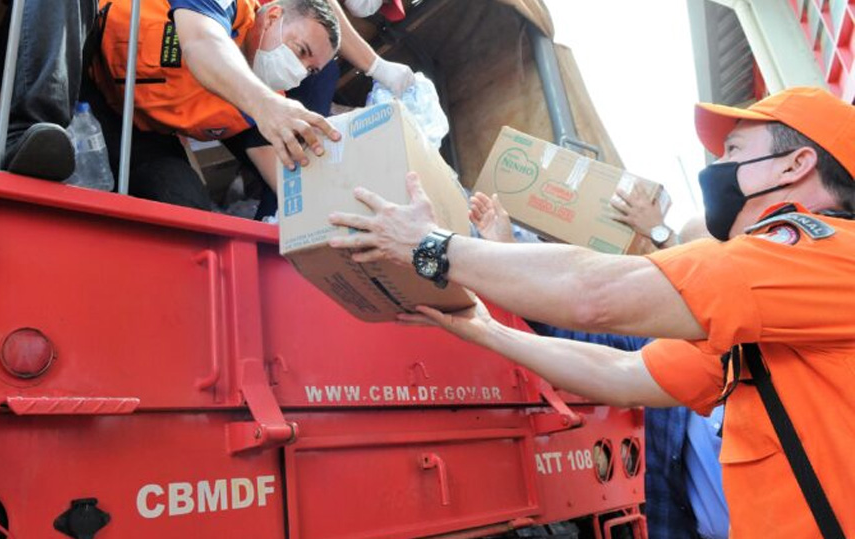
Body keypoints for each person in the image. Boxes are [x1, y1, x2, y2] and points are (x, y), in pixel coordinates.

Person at [326, 86, 855, 538]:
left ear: (795, 163)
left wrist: (431, 247)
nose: (714, 167)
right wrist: (487, 331)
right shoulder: (771, 319)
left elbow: (596, 292)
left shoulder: (821, 253)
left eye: (733, 149)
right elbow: (623, 374)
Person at [470, 192, 728, 539]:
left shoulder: (779, 343)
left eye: (701, 254)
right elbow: (579, 337)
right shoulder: (663, 341)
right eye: (684, 254)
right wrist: (505, 253)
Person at [3, 0, 341, 209]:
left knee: (186, 206)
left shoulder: (266, 103)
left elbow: (285, 176)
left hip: (131, 125)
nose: (299, 71)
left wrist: (328, 213)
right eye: (301, 51)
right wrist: (265, 104)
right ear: (273, 17)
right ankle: (27, 134)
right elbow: (203, 43)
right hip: (75, 56)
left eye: (310, 70)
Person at [228, 0, 415, 114]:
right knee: (324, 72)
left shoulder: (326, 29)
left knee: (317, 71)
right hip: (218, 26)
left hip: (244, 72)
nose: (377, 5)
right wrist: (376, 65)